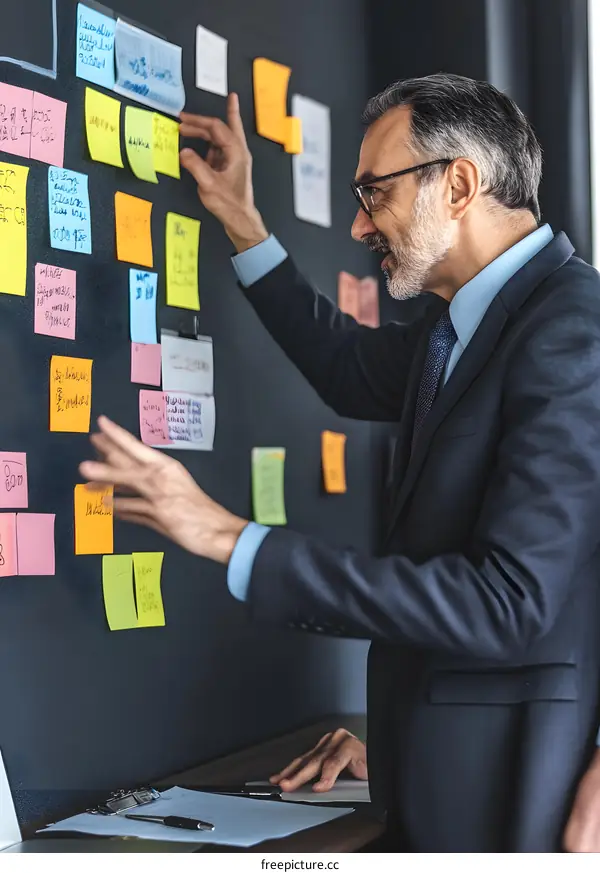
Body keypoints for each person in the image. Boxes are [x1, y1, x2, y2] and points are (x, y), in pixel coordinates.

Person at [80, 73, 600, 851]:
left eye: (374, 194)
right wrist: (244, 223)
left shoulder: (570, 329)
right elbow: (345, 367)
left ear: (458, 183)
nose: (359, 227)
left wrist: (230, 538)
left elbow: (509, 599)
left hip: (517, 803)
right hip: (426, 774)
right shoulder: (460, 327)